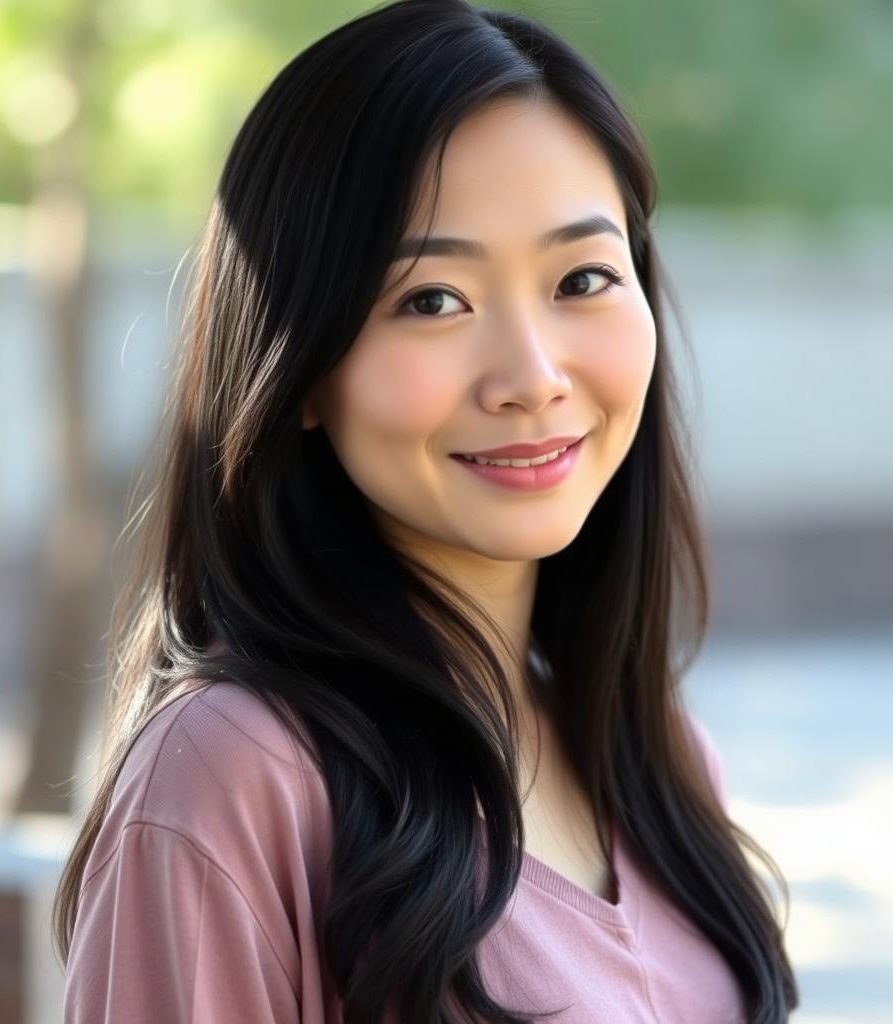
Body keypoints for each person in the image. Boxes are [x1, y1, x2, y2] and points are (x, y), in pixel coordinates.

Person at [54, 1, 799, 1020]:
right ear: (301, 365)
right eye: (431, 299)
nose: (532, 378)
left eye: (582, 277)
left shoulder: (661, 757)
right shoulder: (232, 781)